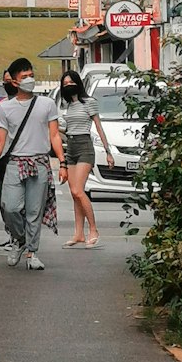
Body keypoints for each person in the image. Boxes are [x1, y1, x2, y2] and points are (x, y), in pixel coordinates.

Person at [0, 64, 67, 271]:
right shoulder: (5, 108)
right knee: (10, 207)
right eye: (25, 76)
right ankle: (20, 240)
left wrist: (62, 163)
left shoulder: (47, 104)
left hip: (39, 163)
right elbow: (0, 140)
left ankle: (32, 252)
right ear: (14, 81)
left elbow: (54, 135)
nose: (30, 79)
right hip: (14, 163)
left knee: (34, 211)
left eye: (32, 75)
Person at [56, 69, 110, 247]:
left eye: (71, 82)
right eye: (65, 84)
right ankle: (78, 233)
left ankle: (93, 229)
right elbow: (68, 129)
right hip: (70, 146)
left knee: (79, 190)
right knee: (73, 193)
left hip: (85, 146)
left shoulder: (89, 102)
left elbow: (99, 127)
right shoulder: (68, 106)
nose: (69, 86)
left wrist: (108, 152)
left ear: (78, 83)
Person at [0, 58, 33, 248]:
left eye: (10, 81)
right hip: (2, 159)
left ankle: (25, 240)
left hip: (22, 159)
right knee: (5, 203)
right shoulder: (3, 107)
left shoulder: (31, 105)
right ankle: (14, 235)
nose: (8, 85)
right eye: (5, 82)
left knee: (22, 204)